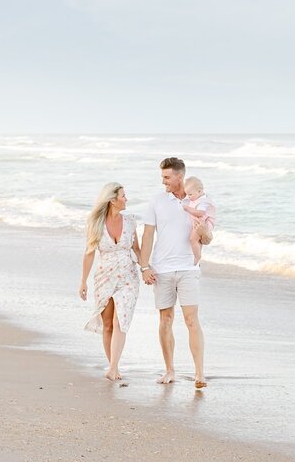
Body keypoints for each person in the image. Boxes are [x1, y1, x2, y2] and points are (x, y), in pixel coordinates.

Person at [139, 157, 207, 388]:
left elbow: (208, 238)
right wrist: (144, 266)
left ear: (180, 176)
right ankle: (169, 370)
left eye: (167, 177)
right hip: (162, 270)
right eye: (162, 177)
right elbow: (148, 235)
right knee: (165, 319)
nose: (163, 182)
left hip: (189, 268)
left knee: (191, 320)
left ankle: (199, 374)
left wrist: (205, 231)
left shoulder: (198, 202)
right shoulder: (157, 201)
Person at [79, 182, 143, 382]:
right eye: (123, 196)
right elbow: (89, 253)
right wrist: (83, 282)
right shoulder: (95, 223)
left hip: (128, 277)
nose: (126, 199)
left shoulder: (131, 221)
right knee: (107, 324)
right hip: (104, 277)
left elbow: (137, 250)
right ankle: (112, 366)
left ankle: (113, 368)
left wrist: (147, 268)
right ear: (112, 200)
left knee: (120, 321)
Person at [180, 176, 216, 265]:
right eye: (187, 194)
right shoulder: (197, 197)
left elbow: (200, 213)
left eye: (190, 194)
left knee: (192, 239)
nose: (188, 197)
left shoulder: (202, 201)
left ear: (199, 191)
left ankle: (197, 256)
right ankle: (198, 254)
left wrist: (187, 208)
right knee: (197, 240)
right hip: (200, 224)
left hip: (203, 225)